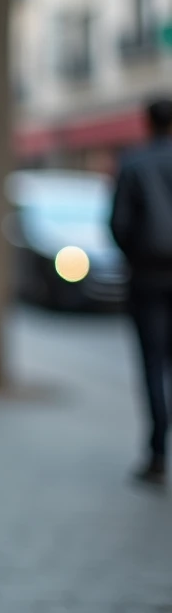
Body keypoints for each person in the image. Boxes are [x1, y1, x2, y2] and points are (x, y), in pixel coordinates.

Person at [110, 97, 172, 486]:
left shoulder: (133, 164)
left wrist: (135, 255)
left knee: (152, 363)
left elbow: (118, 224)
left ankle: (157, 451)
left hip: (147, 276)